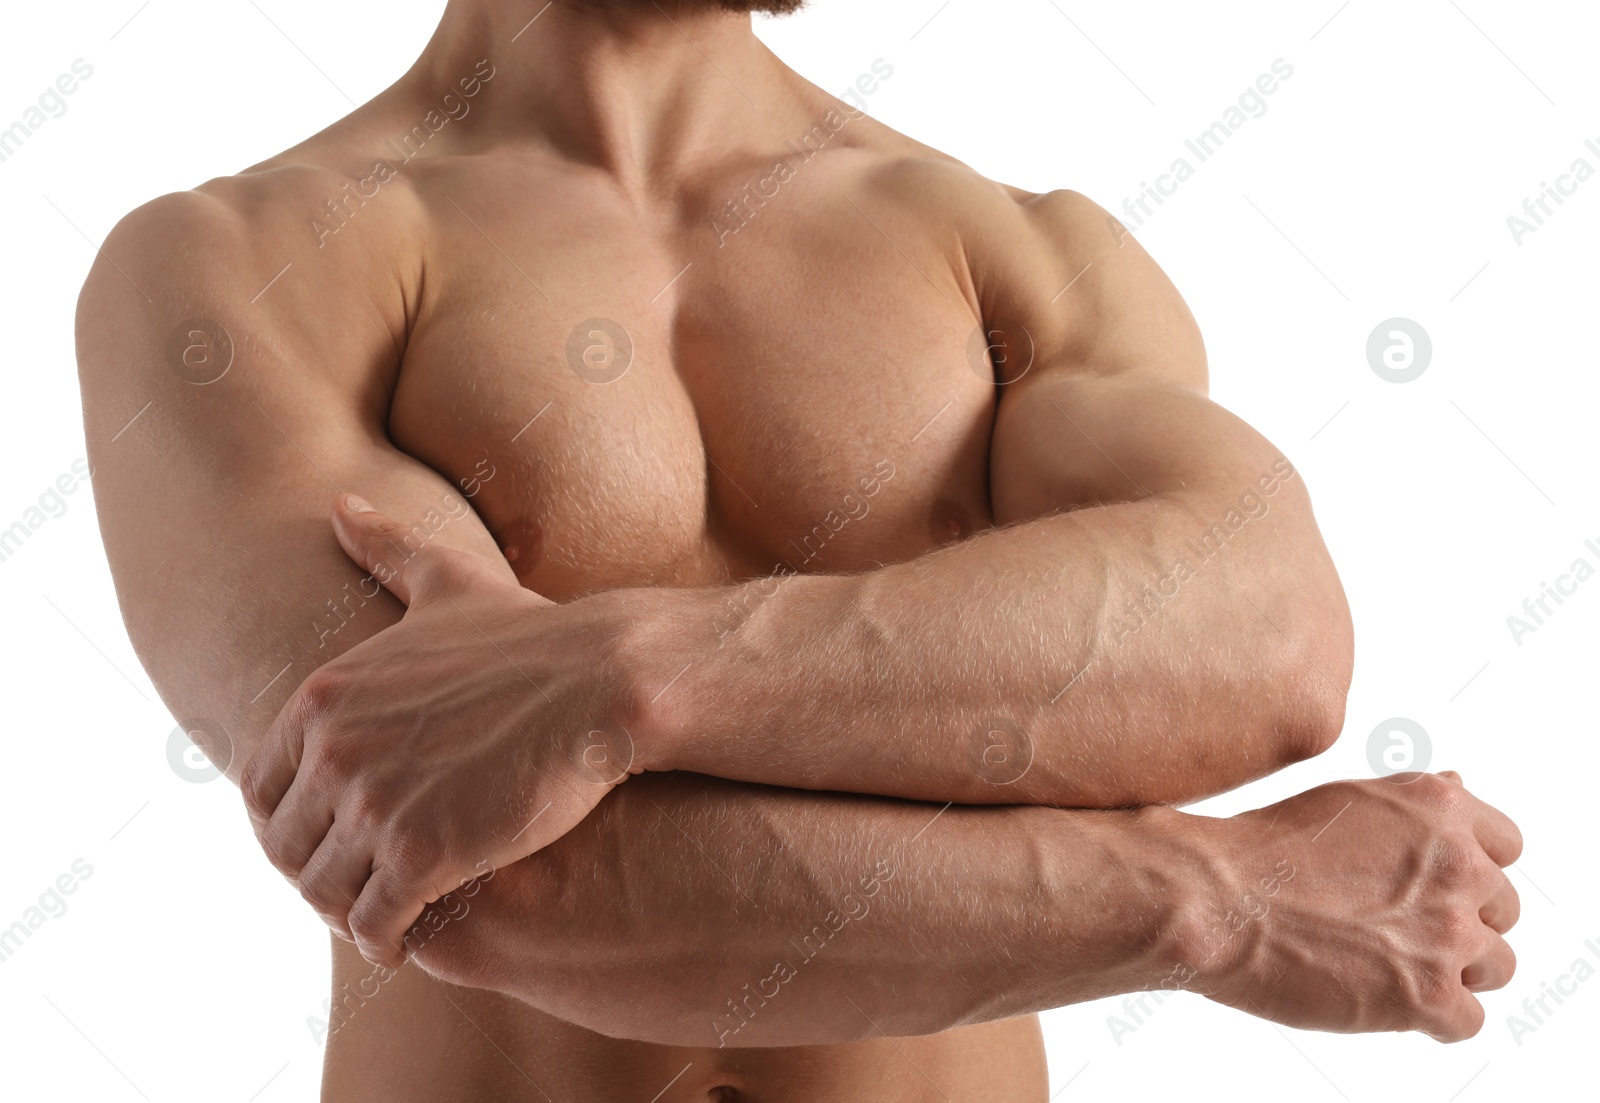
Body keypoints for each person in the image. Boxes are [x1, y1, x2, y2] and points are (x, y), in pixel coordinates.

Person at [76, 2, 1521, 1099]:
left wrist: (623, 675)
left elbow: (1268, 642)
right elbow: (451, 871)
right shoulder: (238, 268)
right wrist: (1219, 901)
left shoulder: (1014, 252)